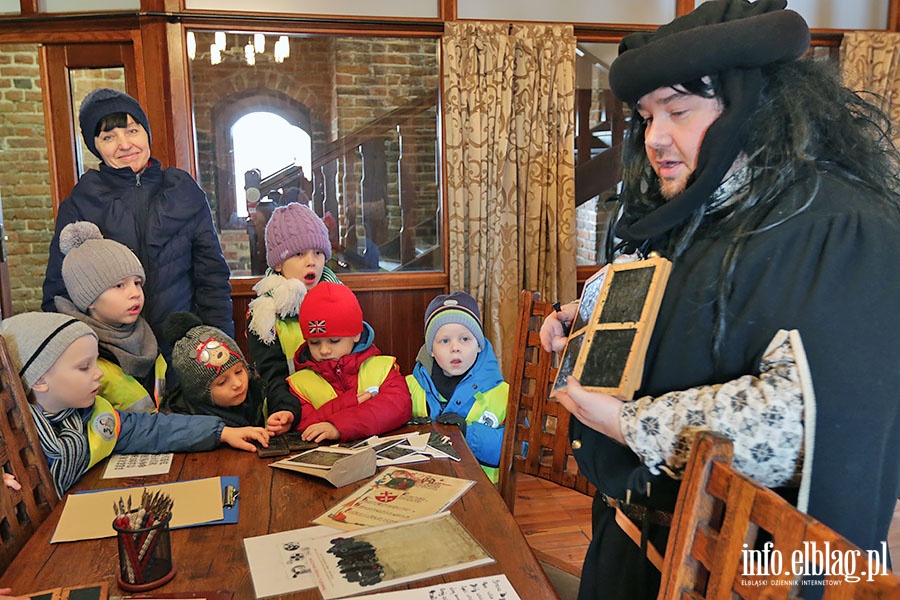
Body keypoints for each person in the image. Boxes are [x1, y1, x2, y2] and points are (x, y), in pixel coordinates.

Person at [539, 1, 900, 598]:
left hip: (732, 577)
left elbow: (802, 423)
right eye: (646, 116)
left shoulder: (839, 224)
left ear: (753, 107)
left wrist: (628, 425)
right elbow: (674, 292)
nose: (656, 138)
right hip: (630, 540)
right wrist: (585, 316)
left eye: (678, 110)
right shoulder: (704, 205)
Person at [41, 88, 234, 361]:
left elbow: (212, 280)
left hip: (186, 350)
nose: (125, 144)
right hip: (112, 356)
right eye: (109, 136)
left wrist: (221, 350)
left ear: (146, 134)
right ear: (95, 146)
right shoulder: (81, 203)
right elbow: (58, 293)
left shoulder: (184, 192)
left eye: (132, 131)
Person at [0, 312, 269, 498]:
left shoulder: (94, 416)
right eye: (84, 367)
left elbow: (153, 428)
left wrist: (220, 432)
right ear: (39, 380)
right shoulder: (10, 437)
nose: (99, 374)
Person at [246, 202, 341, 436]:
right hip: (292, 418)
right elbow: (271, 374)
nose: (312, 261)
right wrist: (286, 410)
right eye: (299, 254)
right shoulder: (264, 313)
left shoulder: (340, 299)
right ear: (278, 263)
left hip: (341, 414)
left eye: (318, 252)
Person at [52, 221, 163, 413]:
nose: (135, 293)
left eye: (137, 283)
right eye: (119, 285)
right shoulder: (77, 354)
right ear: (89, 299)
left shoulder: (147, 337)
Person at [288, 282, 411, 443]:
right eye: (314, 343)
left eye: (334, 340)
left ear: (356, 334)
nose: (324, 350)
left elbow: (399, 407)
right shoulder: (299, 383)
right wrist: (348, 403)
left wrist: (338, 426)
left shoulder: (382, 368)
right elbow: (304, 428)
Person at [405, 291, 507, 482]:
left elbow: (518, 450)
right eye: (444, 341)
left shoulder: (503, 394)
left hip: (482, 492)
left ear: (479, 345)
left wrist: (469, 433)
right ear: (431, 350)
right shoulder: (408, 387)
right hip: (421, 484)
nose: (455, 347)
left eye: (465, 339)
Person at [162, 311, 266, 429]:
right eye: (222, 382)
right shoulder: (182, 422)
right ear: (200, 394)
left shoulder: (258, 390)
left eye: (239, 371)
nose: (238, 384)